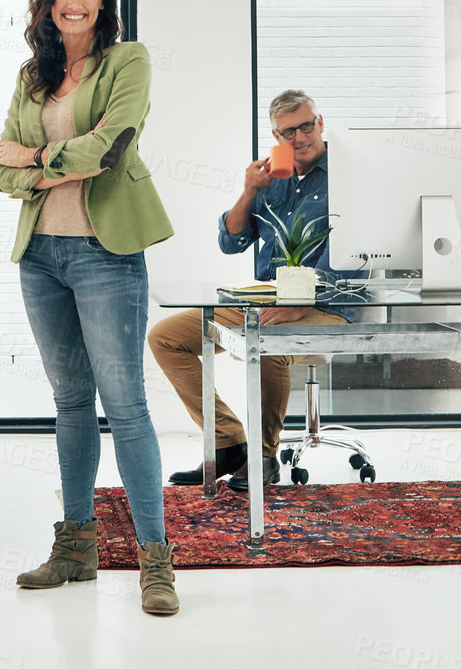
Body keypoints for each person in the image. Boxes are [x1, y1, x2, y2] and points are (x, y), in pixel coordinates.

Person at [0, 0, 180, 617]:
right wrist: (57, 165)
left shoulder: (128, 61)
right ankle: (75, 548)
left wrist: (37, 156)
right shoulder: (32, 74)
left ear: (104, 4)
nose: (75, 3)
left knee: (125, 406)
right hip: (41, 254)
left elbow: (111, 147)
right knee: (70, 402)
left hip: (105, 252)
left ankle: (156, 564)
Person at [148, 89, 361, 490]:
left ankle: (264, 457)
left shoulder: (349, 175)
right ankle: (228, 443)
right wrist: (248, 191)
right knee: (165, 338)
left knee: (267, 341)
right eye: (287, 132)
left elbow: (356, 261)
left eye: (305, 125)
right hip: (264, 300)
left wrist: (300, 304)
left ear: (320, 122)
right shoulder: (272, 180)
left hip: (325, 306)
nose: (299, 137)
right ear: (276, 137)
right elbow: (232, 242)